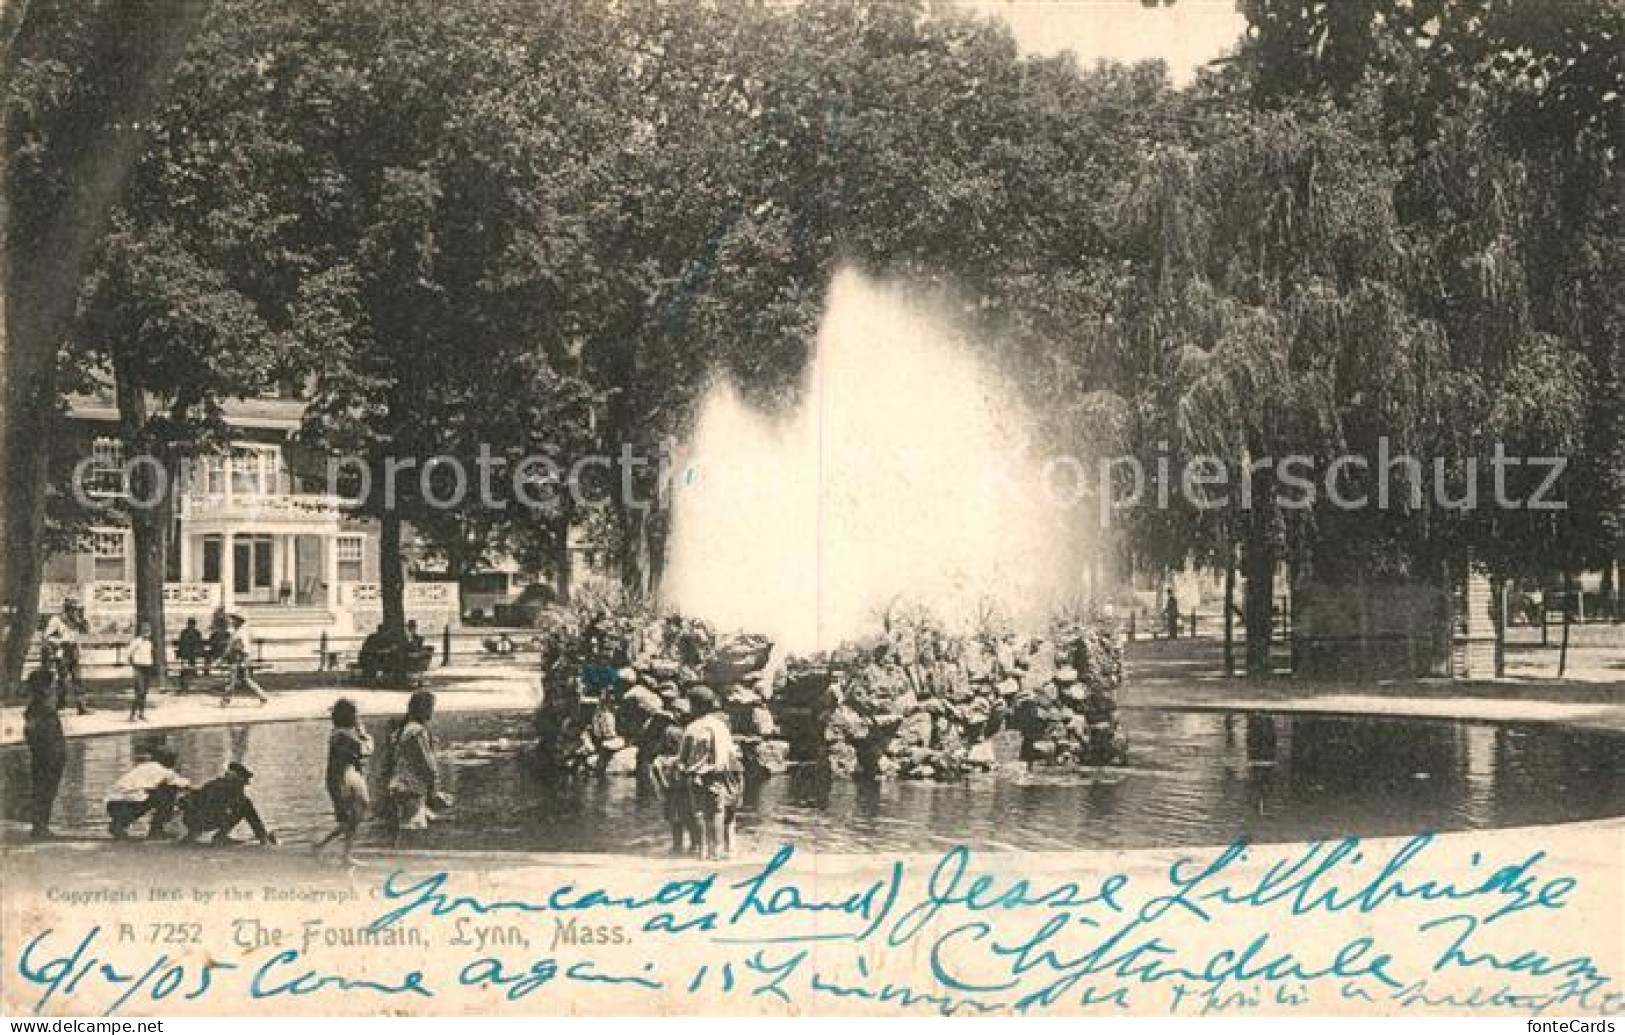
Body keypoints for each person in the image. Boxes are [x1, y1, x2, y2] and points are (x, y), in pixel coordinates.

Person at [677, 686, 743, 860]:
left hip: (697, 776)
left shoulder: (692, 728)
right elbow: (731, 754)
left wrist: (681, 770)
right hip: (719, 775)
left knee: (699, 811)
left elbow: (683, 758)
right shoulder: (721, 727)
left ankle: (702, 851)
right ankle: (718, 850)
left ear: (695, 705)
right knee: (717, 812)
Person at [380, 690, 445, 846]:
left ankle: (400, 856)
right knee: (413, 828)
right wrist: (434, 787)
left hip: (398, 784)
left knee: (406, 826)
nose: (432, 711)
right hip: (412, 786)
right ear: (421, 709)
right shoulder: (417, 731)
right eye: (430, 707)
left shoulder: (402, 729)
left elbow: (388, 761)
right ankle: (407, 861)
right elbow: (427, 762)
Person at [314, 698, 372, 864]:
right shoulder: (342, 735)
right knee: (351, 817)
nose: (358, 717)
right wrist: (364, 735)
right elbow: (365, 750)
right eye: (356, 714)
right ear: (349, 716)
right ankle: (340, 853)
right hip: (340, 780)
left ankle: (325, 846)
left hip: (346, 778)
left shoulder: (341, 733)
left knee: (353, 816)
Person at [180, 762, 275, 846]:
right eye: (243, 782)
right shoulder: (235, 792)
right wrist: (263, 836)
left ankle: (192, 835)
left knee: (212, 809)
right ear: (238, 779)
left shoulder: (212, 784)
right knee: (245, 805)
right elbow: (252, 816)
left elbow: (192, 798)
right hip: (208, 819)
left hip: (192, 820)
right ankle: (220, 837)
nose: (244, 786)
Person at [106, 748, 190, 840]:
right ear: (169, 761)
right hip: (128, 804)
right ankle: (156, 830)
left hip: (113, 804)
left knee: (148, 793)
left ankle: (117, 826)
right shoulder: (164, 770)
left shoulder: (143, 767)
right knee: (169, 792)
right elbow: (184, 785)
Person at [24, 669, 66, 839]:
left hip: (48, 755)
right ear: (45, 688)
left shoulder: (40, 707)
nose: (55, 687)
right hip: (47, 756)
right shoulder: (41, 709)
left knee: (45, 791)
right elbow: (34, 733)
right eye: (52, 684)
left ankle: (41, 826)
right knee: (44, 791)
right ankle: (40, 827)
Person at [647, 724, 693, 854]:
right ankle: (693, 846)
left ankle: (677, 847)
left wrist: (661, 793)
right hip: (683, 794)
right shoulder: (684, 758)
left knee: (676, 823)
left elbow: (658, 780)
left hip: (671, 795)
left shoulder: (660, 760)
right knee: (688, 822)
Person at [44, 600, 89, 714]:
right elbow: (47, 636)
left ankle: (81, 706)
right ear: (67, 609)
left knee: (78, 679)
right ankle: (60, 704)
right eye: (73, 609)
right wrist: (60, 641)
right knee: (63, 679)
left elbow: (85, 631)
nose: (75, 612)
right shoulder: (57, 620)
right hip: (62, 651)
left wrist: (82, 620)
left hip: (74, 651)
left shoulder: (76, 620)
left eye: (76, 610)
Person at [219, 614, 268, 706]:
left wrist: (244, 660)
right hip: (235, 658)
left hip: (239, 659)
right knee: (244, 679)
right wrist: (223, 657)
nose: (231, 621)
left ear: (238, 621)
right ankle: (263, 696)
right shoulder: (236, 632)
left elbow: (245, 648)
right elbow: (230, 647)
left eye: (233, 620)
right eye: (231, 619)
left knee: (233, 680)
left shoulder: (241, 633)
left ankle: (226, 700)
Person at [127, 622, 156, 721]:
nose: (147, 633)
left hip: (147, 668)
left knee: (145, 692)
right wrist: (134, 666)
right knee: (139, 691)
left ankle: (141, 713)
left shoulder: (149, 643)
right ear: (141, 631)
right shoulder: (136, 642)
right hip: (139, 668)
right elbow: (129, 654)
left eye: (148, 631)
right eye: (145, 631)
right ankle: (132, 714)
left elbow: (150, 655)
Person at [176, 618, 206, 691]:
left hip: (192, 652)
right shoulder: (185, 632)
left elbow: (199, 643)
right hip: (187, 652)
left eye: (192, 625)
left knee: (191, 657)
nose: (191, 626)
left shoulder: (196, 633)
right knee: (188, 658)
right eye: (190, 624)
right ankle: (187, 672)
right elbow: (181, 643)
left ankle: (190, 672)